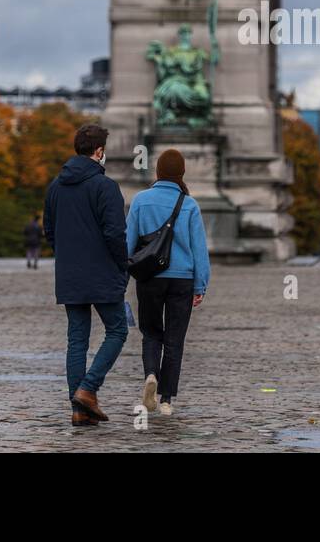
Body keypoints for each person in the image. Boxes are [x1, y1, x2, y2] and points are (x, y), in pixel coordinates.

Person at [44, 123, 128, 427]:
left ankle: (78, 408)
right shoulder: (106, 187)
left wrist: (68, 257)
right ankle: (88, 390)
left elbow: (50, 232)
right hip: (103, 271)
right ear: (100, 151)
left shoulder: (56, 186)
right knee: (118, 331)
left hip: (70, 273)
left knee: (76, 339)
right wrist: (123, 265)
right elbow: (116, 233)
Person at [126, 149, 210, 417]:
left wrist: (123, 273)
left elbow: (128, 243)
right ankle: (166, 400)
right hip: (182, 279)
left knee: (151, 333)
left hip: (150, 277)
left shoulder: (141, 200)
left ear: (158, 172)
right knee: (175, 340)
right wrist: (200, 286)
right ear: (181, 173)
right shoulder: (189, 204)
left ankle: (151, 373)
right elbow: (200, 250)